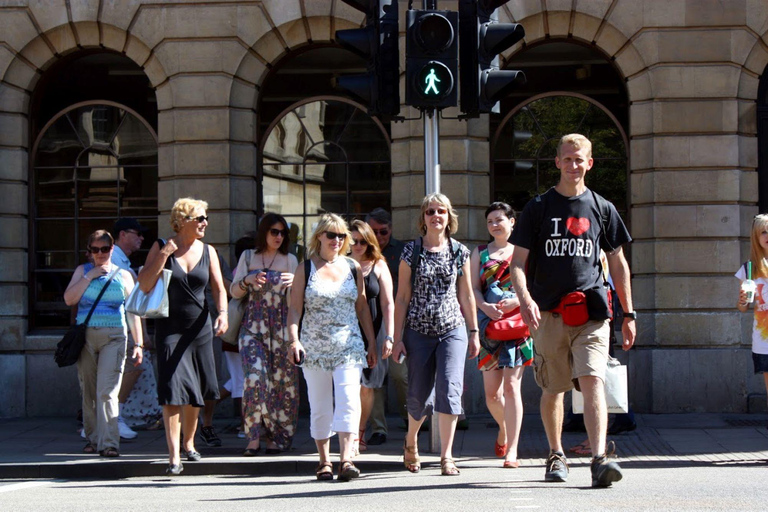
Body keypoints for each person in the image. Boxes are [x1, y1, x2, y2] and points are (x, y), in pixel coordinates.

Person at [509, 134, 636, 488]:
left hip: (592, 314)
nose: (573, 165)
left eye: (579, 159)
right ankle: (556, 454)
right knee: (555, 388)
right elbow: (517, 262)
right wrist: (526, 299)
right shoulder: (538, 207)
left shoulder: (602, 207)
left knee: (594, 379)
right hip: (548, 313)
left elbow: (618, 262)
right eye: (567, 159)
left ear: (589, 163)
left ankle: (599, 458)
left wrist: (629, 314)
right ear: (557, 163)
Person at [391, 193, 480, 477]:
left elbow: (466, 296)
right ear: (423, 217)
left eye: (441, 211)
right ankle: (411, 442)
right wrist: (397, 337)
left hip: (452, 329)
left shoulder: (459, 252)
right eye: (430, 211)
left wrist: (474, 331)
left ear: (448, 216)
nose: (435, 216)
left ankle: (447, 456)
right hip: (418, 330)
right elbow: (402, 297)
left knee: (450, 391)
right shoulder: (410, 251)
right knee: (418, 395)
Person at [137, 198, 228, 476]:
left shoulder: (208, 250)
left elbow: (218, 288)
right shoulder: (163, 245)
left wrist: (222, 313)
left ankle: (189, 443)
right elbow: (144, 283)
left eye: (205, 218)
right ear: (183, 220)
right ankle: (173, 456)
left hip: (199, 329)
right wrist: (164, 254)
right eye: (199, 218)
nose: (204, 223)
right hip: (169, 328)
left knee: (195, 392)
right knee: (172, 391)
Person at [286, 213, 377, 482]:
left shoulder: (352, 267)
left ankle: (346, 459)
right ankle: (324, 461)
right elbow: (294, 309)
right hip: (314, 346)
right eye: (331, 235)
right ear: (319, 238)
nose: (336, 240)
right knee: (320, 404)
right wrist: (294, 340)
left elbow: (361, 307)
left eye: (341, 236)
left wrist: (371, 341)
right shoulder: (305, 268)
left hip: (348, 345)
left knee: (349, 401)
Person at [63, 230, 143, 457]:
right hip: (86, 337)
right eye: (95, 250)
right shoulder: (83, 271)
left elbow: (133, 311)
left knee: (107, 391)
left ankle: (109, 443)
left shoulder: (124, 275)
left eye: (105, 249)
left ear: (111, 250)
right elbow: (69, 299)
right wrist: (91, 276)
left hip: (115, 336)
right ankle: (93, 438)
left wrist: (138, 344)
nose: (100, 254)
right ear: (89, 252)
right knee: (88, 391)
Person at [230, 213, 299, 456]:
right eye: (274, 232)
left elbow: (296, 303)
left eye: (282, 233)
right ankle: (253, 436)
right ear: (264, 233)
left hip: (281, 328)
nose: (279, 236)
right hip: (253, 328)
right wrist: (248, 280)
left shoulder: (290, 260)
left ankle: (276, 436)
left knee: (281, 385)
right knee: (254, 380)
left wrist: (294, 285)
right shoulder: (248, 256)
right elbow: (234, 292)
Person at [470, 202, 532, 469]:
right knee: (492, 395)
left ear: (512, 222)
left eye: (500, 219)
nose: (495, 224)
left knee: (512, 387)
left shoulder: (524, 252)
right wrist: (484, 306)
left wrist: (516, 302)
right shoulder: (480, 253)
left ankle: (513, 450)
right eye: (490, 221)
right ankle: (504, 429)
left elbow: (536, 286)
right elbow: (472, 288)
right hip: (489, 328)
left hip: (519, 326)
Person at [110, 218, 163, 435]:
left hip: (124, 325)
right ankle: (113, 416)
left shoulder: (122, 260)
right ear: (122, 234)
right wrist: (139, 336)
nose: (141, 238)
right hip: (117, 325)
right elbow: (129, 301)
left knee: (136, 370)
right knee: (132, 368)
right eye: (137, 233)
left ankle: (123, 416)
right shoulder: (114, 258)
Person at [348, 220, 395, 454]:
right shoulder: (341, 264)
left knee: (367, 386)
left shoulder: (378, 265)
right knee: (349, 384)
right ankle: (349, 433)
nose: (357, 245)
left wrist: (390, 336)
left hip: (375, 331)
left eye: (362, 241)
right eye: (353, 241)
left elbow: (388, 303)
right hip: (347, 330)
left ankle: (360, 430)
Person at [365, 207, 407, 444]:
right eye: (375, 232)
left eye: (383, 232)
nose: (379, 237)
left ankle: (408, 417)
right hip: (370, 321)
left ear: (390, 229)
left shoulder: (401, 251)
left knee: (400, 375)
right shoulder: (360, 251)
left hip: (398, 321)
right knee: (375, 377)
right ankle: (378, 428)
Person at [736, 214, 768, 414]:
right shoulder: (749, 269)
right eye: (763, 232)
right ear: (756, 237)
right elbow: (743, 307)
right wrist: (741, 301)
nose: (767, 236)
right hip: (764, 338)